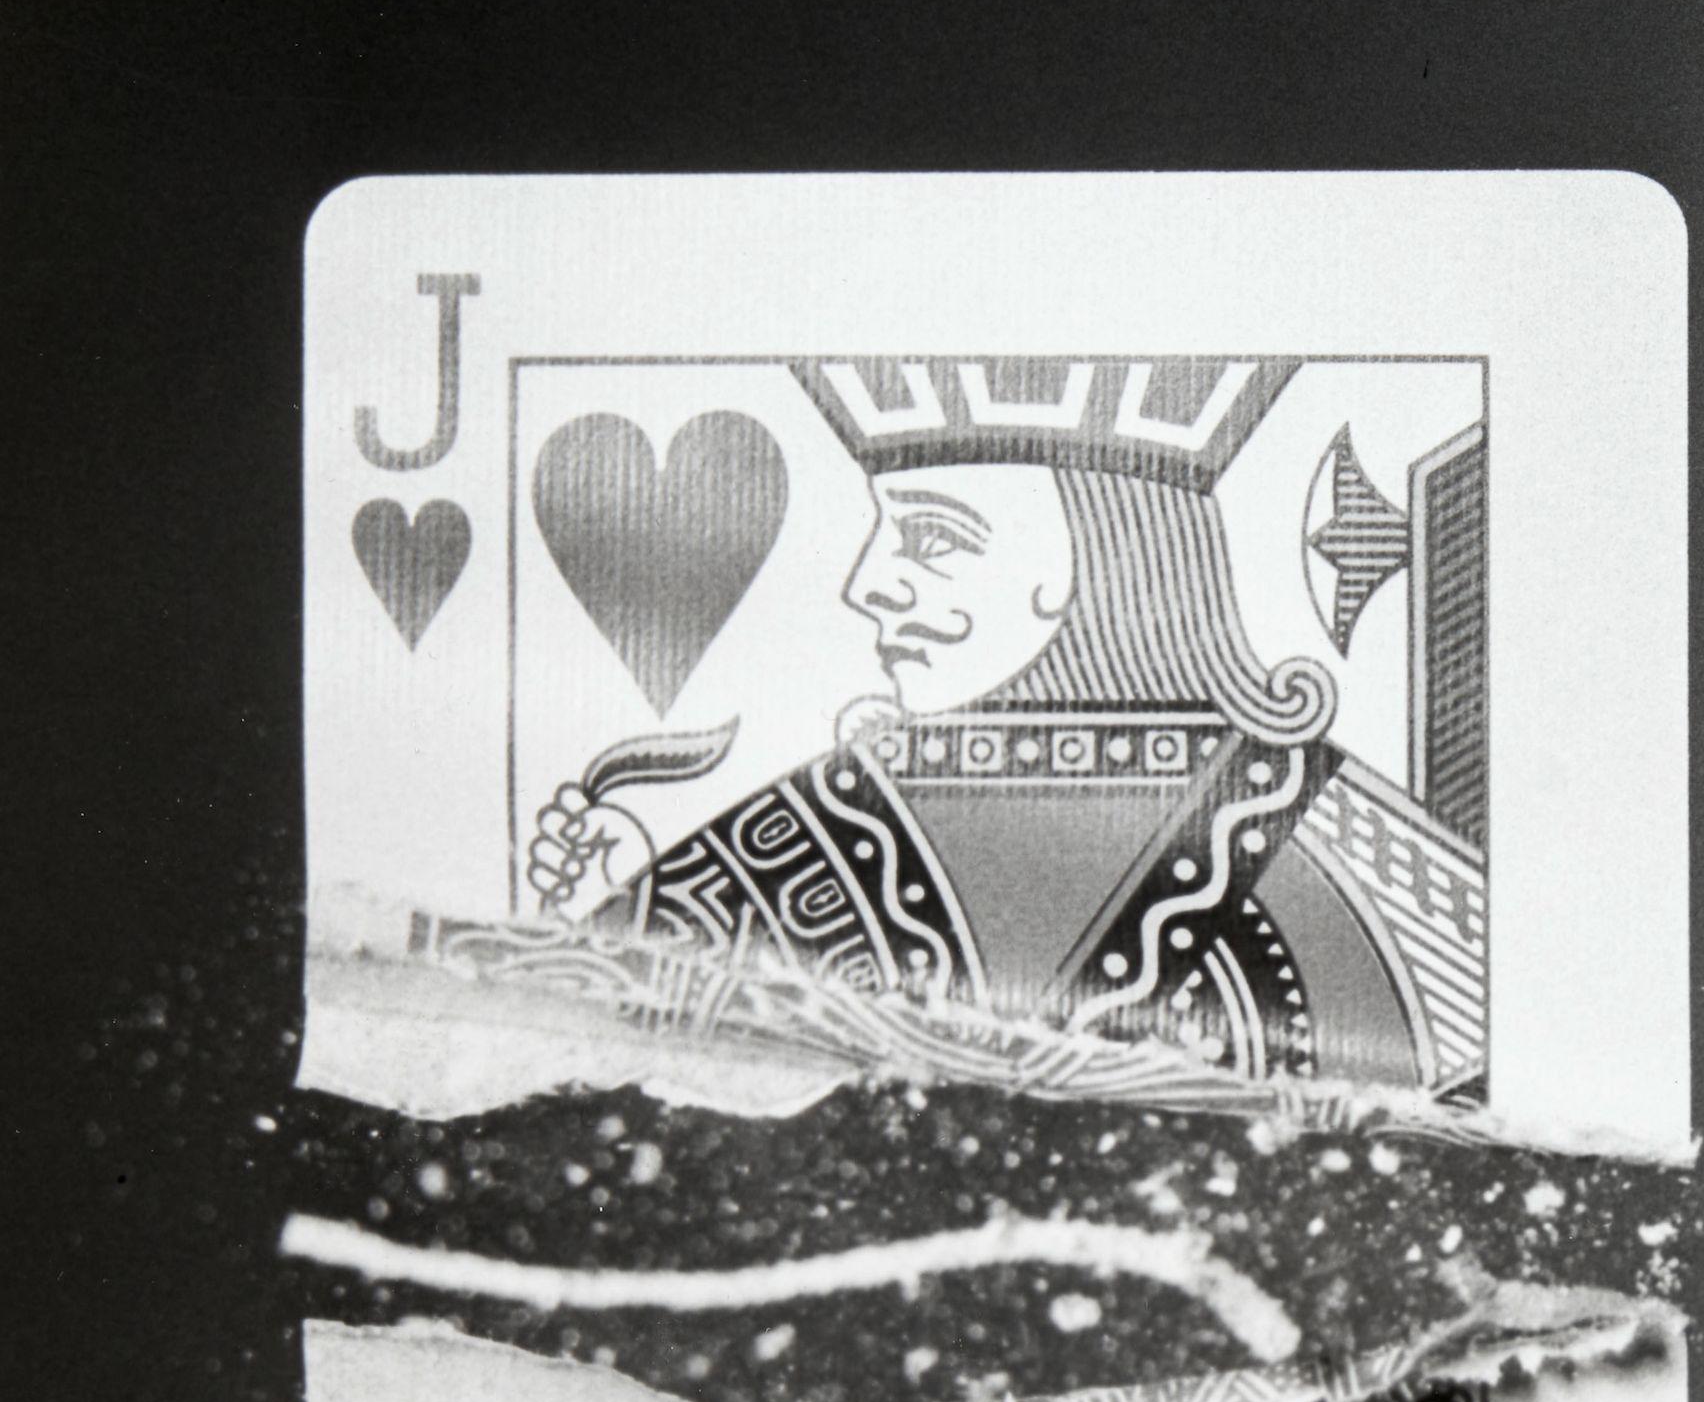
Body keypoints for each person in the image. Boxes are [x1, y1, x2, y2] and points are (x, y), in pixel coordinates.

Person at [528, 355, 1484, 1089]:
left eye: (933, 537)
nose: (868, 584)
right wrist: (590, 915)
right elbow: (573, 1044)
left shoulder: (1326, 826)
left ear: (1099, 555)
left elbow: (1471, 1083)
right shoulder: (829, 812)